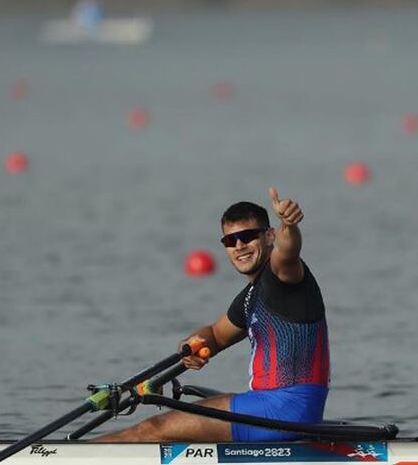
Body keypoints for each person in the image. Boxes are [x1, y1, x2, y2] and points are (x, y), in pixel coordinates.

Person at [96, 187, 330, 442]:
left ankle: (71, 459)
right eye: (230, 241)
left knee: (153, 429)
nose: (239, 246)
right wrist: (193, 344)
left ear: (269, 236)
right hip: (278, 409)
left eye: (248, 236)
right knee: (180, 426)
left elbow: (288, 251)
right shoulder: (251, 296)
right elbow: (216, 335)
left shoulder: (282, 276)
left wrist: (288, 224)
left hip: (285, 408)